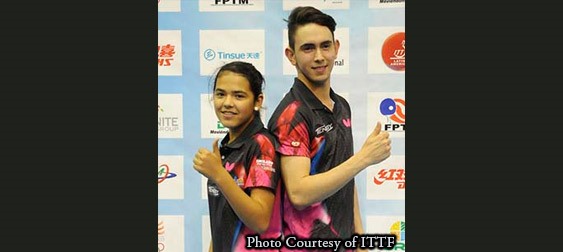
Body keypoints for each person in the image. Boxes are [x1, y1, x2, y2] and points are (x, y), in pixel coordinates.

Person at [266, 6, 392, 251]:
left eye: (325, 46)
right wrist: (364, 158)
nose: (319, 57)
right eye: (308, 48)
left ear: (336, 48)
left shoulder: (341, 106)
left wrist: (359, 237)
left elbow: (346, 177)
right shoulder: (291, 115)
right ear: (291, 55)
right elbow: (299, 193)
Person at [193, 61, 283, 252]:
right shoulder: (228, 145)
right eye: (220, 94)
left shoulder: (261, 144)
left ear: (258, 101)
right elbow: (223, 220)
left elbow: (260, 220)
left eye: (239, 96)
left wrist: (219, 174)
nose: (227, 103)